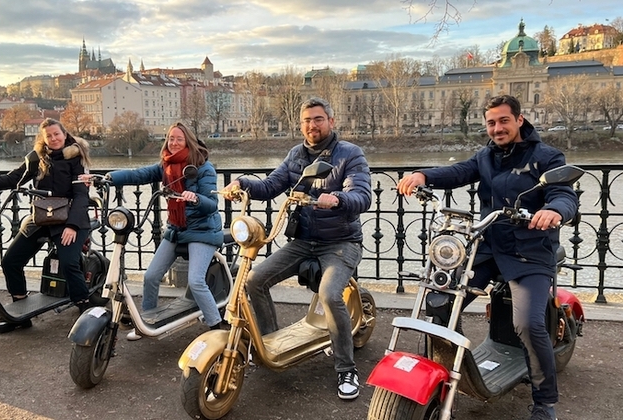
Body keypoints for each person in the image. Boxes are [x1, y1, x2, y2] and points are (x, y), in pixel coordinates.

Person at [397, 95, 578, 420]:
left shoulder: (547, 157)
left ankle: (544, 401)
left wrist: (554, 210)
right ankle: (446, 373)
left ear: (519, 120)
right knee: (440, 303)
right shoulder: (486, 157)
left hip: (530, 252)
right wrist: (423, 175)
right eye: (491, 122)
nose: (497, 128)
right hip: (488, 248)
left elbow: (564, 193)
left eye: (503, 121)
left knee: (528, 323)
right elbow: (457, 172)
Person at [223, 97, 372, 400]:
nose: (311, 126)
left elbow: (362, 195)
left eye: (318, 119)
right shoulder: (295, 155)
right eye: (306, 120)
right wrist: (241, 183)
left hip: (341, 242)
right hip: (304, 241)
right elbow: (271, 185)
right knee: (254, 279)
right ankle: (270, 341)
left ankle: (346, 369)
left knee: (330, 295)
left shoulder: (349, 154)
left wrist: (340, 199)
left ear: (331, 121)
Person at [0, 118, 93, 333]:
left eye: (56, 134)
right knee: (10, 261)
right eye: (49, 136)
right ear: (43, 140)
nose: (54, 139)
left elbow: (81, 196)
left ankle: (85, 308)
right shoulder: (37, 159)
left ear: (64, 134)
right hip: (41, 219)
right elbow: (13, 178)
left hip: (69, 219)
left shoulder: (76, 159)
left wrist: (72, 226)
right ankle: (20, 314)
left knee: (69, 263)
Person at [104, 122, 224, 340]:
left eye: (179, 139)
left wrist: (196, 198)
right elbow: (139, 175)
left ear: (188, 140)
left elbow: (212, 204)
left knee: (196, 281)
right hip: (177, 229)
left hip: (202, 230)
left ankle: (216, 326)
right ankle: (146, 323)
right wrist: (110, 178)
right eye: (171, 138)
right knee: (150, 276)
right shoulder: (166, 166)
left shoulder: (203, 167)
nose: (174, 143)